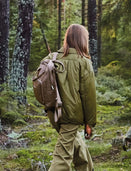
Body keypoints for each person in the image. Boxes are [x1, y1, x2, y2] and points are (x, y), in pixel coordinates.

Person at [46, 24, 97, 171]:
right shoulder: (83, 62)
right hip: (72, 114)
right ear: (83, 40)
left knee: (76, 143)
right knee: (62, 156)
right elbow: (89, 96)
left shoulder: (52, 58)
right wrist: (89, 123)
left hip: (53, 111)